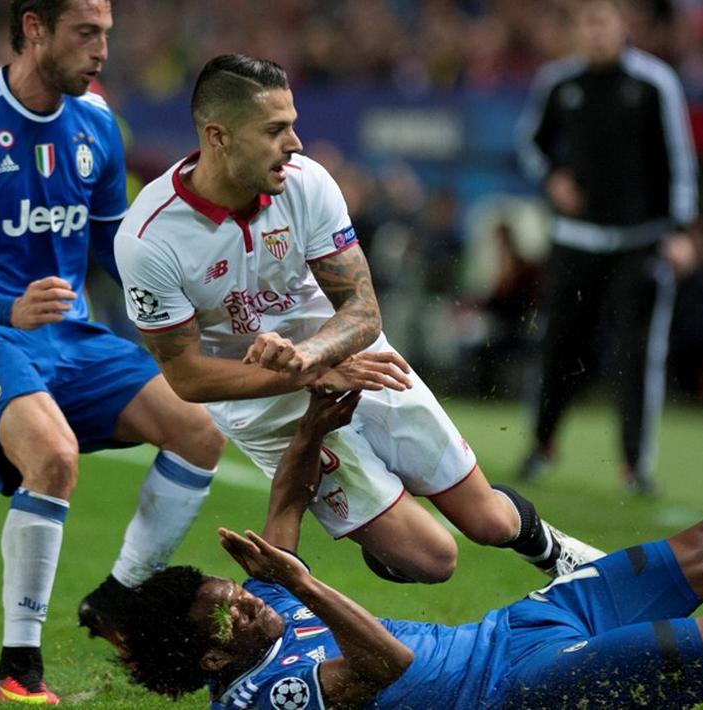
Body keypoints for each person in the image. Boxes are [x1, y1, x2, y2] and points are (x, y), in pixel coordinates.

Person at [113, 392, 703, 709]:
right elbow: (384, 665)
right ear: (206, 660)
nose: (241, 601)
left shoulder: (256, 613)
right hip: (520, 689)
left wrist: (316, 426)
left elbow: (282, 507)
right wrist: (304, 588)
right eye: (225, 612)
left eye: (227, 593)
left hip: (527, 624)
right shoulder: (257, 695)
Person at [114, 54, 601, 591]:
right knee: (434, 560)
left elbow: (364, 309)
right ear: (218, 136)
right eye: (275, 130)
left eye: (292, 125)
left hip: (357, 362)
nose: (294, 143)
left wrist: (313, 356)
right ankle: (385, 532)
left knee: (489, 522)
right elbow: (188, 378)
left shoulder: (308, 183)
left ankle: (554, 551)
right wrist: (305, 376)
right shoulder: (148, 239)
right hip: (266, 408)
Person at [0, 1, 231, 704]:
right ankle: (18, 665)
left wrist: (190, 300)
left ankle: (118, 597)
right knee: (53, 456)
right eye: (86, 33)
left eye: (106, 34)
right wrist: (7, 308)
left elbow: (118, 250)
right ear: (33, 28)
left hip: (71, 336)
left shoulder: (97, 125)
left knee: (198, 429)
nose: (102, 50)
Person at [514, 0, 700, 494]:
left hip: (639, 242)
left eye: (603, 21)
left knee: (637, 356)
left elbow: (678, 160)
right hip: (575, 242)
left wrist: (680, 229)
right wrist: (554, 177)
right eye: (585, 23)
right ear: (575, 31)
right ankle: (540, 445)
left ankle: (635, 466)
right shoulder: (557, 82)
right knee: (559, 346)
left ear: (623, 27)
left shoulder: (654, 83)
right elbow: (530, 143)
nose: (594, 32)